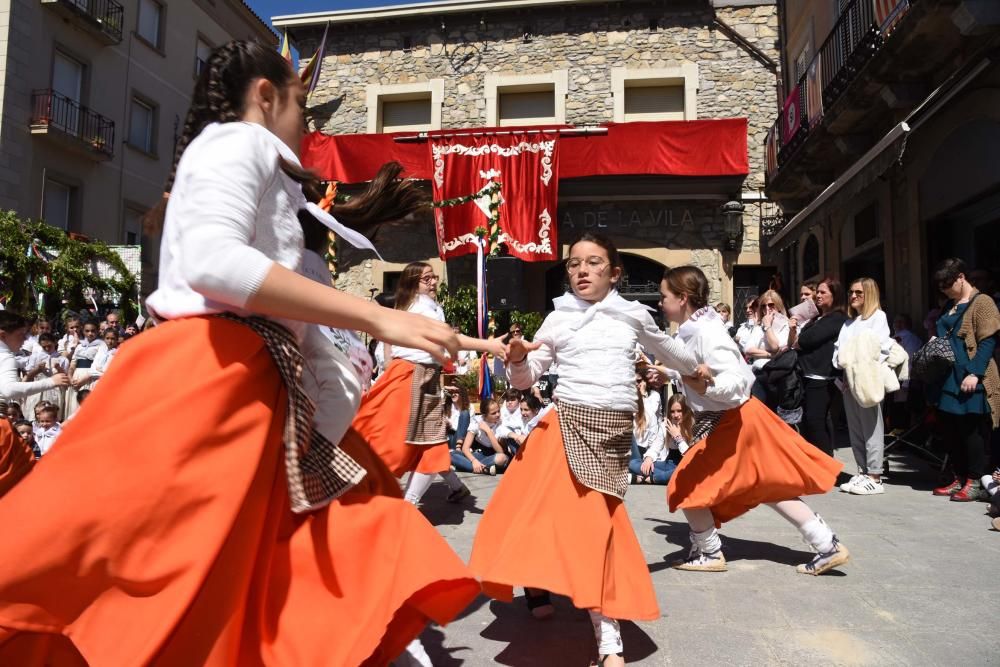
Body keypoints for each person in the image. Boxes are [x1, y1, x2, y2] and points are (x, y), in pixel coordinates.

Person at [0, 40, 477, 666]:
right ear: (267, 95)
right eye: (302, 105)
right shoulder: (241, 142)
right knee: (196, 585)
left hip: (241, 377)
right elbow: (214, 263)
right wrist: (375, 316)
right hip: (217, 374)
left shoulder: (254, 163)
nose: (307, 125)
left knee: (213, 582)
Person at [471, 233, 701, 667]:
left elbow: (670, 348)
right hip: (567, 427)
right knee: (590, 527)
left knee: (576, 525)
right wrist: (518, 358)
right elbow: (524, 380)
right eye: (574, 263)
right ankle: (608, 640)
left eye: (593, 263)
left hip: (613, 437)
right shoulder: (557, 319)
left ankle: (540, 585)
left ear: (614, 273)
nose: (581, 270)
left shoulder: (633, 314)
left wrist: (696, 369)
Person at [653, 266, 848, 577]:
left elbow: (732, 380)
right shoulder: (700, 327)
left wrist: (704, 386)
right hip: (738, 418)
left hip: (732, 420)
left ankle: (709, 551)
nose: (661, 302)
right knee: (768, 485)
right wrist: (670, 373)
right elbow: (701, 371)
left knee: (685, 483)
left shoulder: (706, 331)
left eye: (664, 296)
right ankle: (827, 545)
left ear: (682, 298)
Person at [352, 261, 503, 506]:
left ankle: (449, 488)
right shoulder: (421, 309)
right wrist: (490, 345)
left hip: (420, 377)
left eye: (434, 277)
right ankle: (405, 503)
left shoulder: (426, 307)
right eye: (427, 278)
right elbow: (450, 338)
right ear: (414, 283)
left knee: (427, 440)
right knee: (404, 438)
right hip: (412, 378)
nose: (434, 282)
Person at [925, 258, 1000, 502]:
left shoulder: (983, 302)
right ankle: (958, 477)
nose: (945, 290)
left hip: (970, 375)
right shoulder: (951, 304)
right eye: (941, 287)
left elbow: (988, 341)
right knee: (950, 430)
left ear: (960, 277)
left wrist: (975, 373)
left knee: (972, 432)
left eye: (948, 284)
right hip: (948, 377)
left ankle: (975, 480)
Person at [833, 277, 894, 495]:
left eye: (859, 293)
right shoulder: (849, 323)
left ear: (869, 294)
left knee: (871, 427)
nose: (853, 296)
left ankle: (875, 476)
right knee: (855, 426)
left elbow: (881, 348)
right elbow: (838, 350)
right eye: (851, 292)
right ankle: (862, 470)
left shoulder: (878, 317)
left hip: (867, 379)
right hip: (849, 379)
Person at [789, 278, 848, 456]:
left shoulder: (836, 319)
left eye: (823, 292)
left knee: (816, 422)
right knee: (807, 422)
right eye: (818, 292)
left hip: (822, 380)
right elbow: (795, 343)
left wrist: (800, 340)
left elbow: (806, 340)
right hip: (807, 377)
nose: (818, 296)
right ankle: (814, 465)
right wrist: (794, 331)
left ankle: (827, 465)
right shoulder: (816, 319)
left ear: (834, 295)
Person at [0, 312, 70, 409]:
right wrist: (51, 382)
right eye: (20, 334)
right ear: (3, 336)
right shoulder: (6, 357)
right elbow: (9, 390)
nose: (25, 338)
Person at [631, 392, 691, 485]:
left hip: (685, 465)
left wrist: (678, 438)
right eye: (672, 411)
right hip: (669, 464)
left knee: (684, 471)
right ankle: (661, 477)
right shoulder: (665, 425)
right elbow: (656, 446)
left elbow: (690, 457)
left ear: (686, 411)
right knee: (633, 464)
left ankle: (655, 478)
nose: (675, 415)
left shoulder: (692, 426)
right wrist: (649, 458)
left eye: (679, 411)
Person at [451, 398, 510, 475]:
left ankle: (463, 467)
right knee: (451, 454)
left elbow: (500, 452)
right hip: (479, 454)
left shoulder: (501, 423)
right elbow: (465, 448)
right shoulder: (477, 422)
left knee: (502, 458)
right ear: (485, 415)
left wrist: (489, 432)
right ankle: (484, 469)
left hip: (493, 455)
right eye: (493, 413)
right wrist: (474, 461)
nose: (498, 414)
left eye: (498, 411)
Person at [445, 385, 472, 451]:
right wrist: (445, 387)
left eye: (456, 392)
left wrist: (459, 406)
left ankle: (458, 448)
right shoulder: (447, 406)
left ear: (462, 393)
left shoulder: (470, 407)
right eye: (451, 392)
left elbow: (469, 427)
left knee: (465, 413)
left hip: (463, 439)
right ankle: (455, 450)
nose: (453, 394)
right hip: (449, 437)